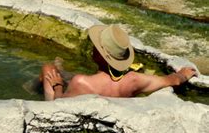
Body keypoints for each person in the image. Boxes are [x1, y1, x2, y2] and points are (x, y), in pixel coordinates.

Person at [41, 24, 198, 101]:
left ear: (98, 56)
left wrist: (58, 86)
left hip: (72, 106)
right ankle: (60, 73)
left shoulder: (81, 82)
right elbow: (174, 80)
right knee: (60, 73)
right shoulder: (135, 80)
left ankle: (44, 82)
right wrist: (183, 74)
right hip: (112, 102)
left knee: (49, 69)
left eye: (96, 48)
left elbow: (60, 105)